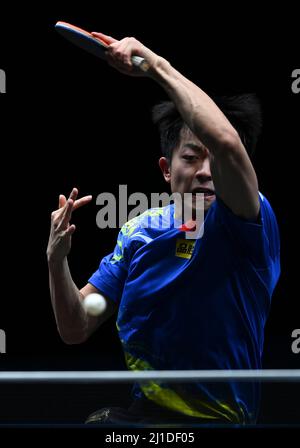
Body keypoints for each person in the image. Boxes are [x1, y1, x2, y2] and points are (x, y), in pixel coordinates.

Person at [47, 34, 280, 425]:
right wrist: (56, 262)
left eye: (216, 163)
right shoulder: (139, 234)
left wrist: (154, 65)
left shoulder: (248, 222)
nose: (205, 172)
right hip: (147, 418)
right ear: (166, 170)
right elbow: (77, 325)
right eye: (190, 157)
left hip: (221, 421)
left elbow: (224, 141)